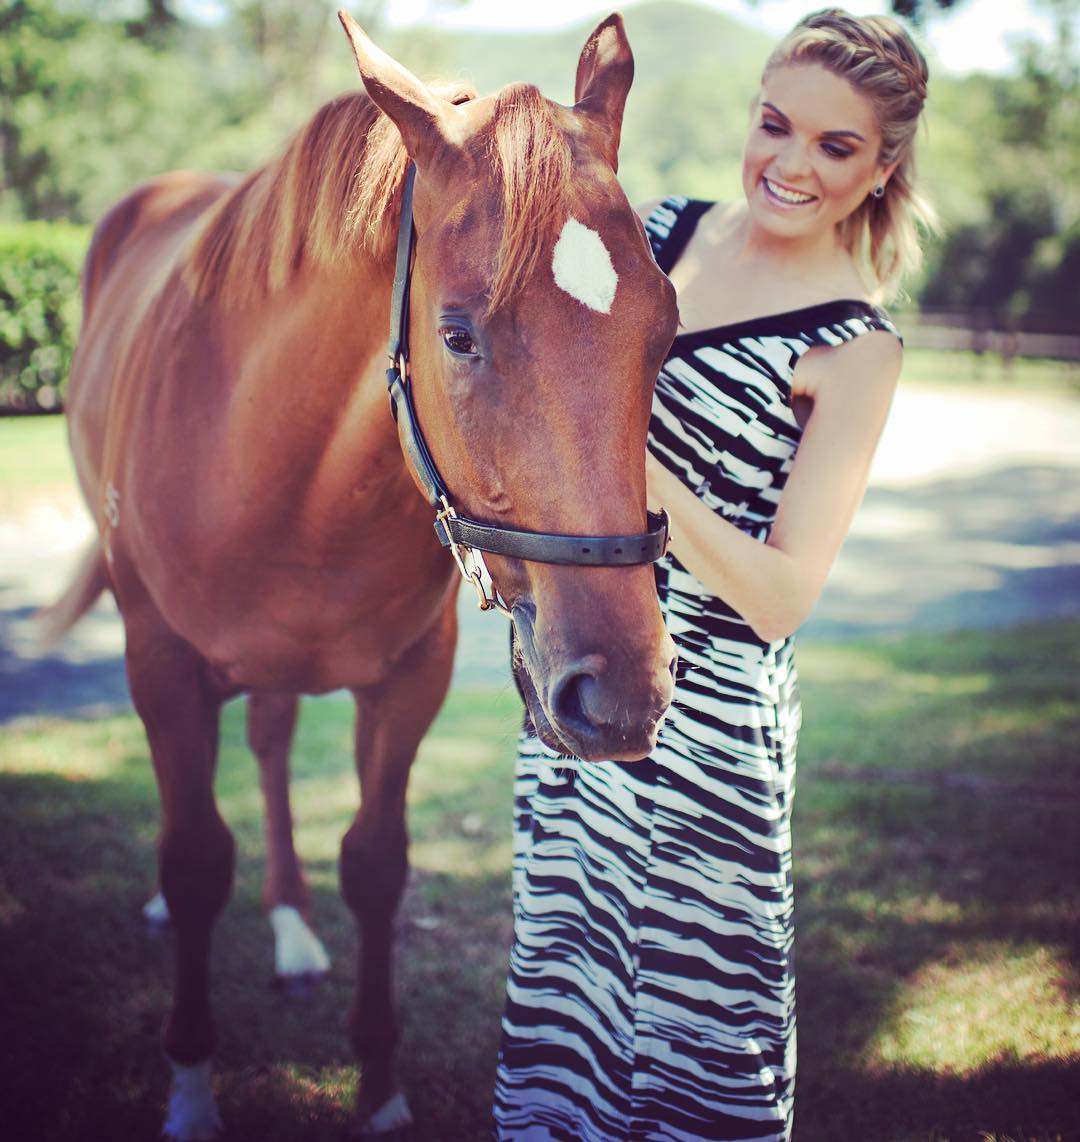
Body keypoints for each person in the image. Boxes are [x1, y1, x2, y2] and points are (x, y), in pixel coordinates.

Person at [493, 7, 936, 1141]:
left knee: (697, 1019)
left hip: (711, 725)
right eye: (775, 124)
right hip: (585, 664)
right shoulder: (660, 230)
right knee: (569, 970)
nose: (792, 164)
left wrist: (642, 482)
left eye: (836, 146)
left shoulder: (857, 346)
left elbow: (783, 597)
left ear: (883, 165)